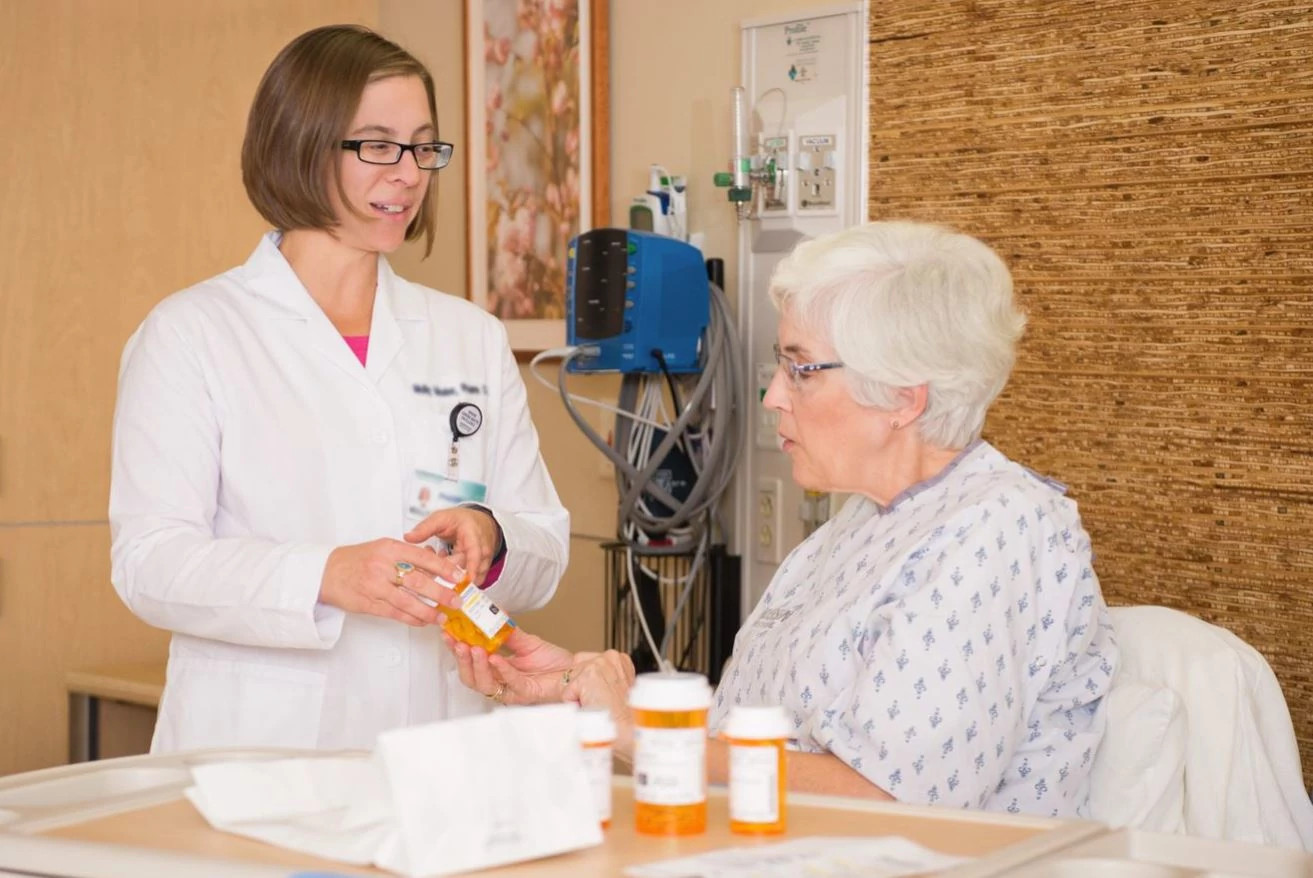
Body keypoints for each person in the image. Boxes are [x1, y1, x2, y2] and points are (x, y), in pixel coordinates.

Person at [444, 220, 1118, 818]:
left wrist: (637, 735)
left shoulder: (997, 530)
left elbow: (891, 802)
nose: (770, 396)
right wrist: (580, 687)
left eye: (800, 370)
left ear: (902, 398)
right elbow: (759, 729)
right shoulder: (862, 523)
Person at [109, 25, 568, 753]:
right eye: (377, 145)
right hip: (256, 750)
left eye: (423, 147)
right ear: (300, 145)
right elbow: (150, 563)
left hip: (436, 744)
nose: (410, 173)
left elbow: (544, 538)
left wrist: (494, 536)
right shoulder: (193, 333)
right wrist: (325, 574)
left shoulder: (468, 335)